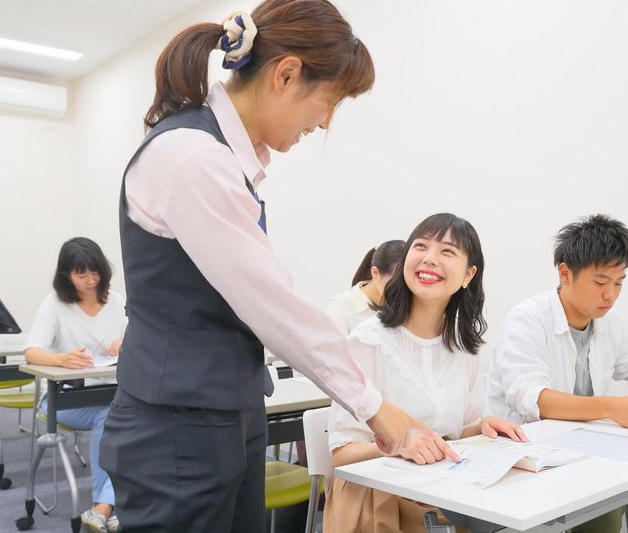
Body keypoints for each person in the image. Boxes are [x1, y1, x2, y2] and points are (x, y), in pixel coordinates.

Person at [98, 2, 455, 532]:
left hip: (222, 414)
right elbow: (274, 307)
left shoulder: (221, 159)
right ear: (286, 74)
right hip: (178, 427)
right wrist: (376, 408)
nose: (324, 121)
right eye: (329, 101)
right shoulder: (194, 157)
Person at [484, 214, 628, 533]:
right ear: (565, 274)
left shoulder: (610, 323)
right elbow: (535, 399)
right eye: (600, 283)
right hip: (529, 456)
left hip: (588, 452)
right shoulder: (527, 320)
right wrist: (614, 408)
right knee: (603, 505)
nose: (610, 294)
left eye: (619, 282)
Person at [325, 213, 527, 533]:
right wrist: (398, 446)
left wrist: (484, 427)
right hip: (379, 501)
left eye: (447, 251)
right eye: (420, 246)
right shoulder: (368, 341)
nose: (430, 258)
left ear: (468, 274)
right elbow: (341, 455)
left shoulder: (464, 346)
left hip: (444, 495)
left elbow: (460, 433)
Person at [24, 237, 126, 533]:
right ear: (66, 275)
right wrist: (62, 359)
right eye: (82, 274)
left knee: (130, 417)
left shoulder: (117, 301)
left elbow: (138, 337)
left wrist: (126, 345)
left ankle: (102, 508)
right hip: (64, 399)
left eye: (96, 272)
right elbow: (32, 352)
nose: (91, 280)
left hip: (111, 393)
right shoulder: (55, 305)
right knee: (111, 416)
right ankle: (105, 505)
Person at [327, 240, 405, 334]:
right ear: (375, 273)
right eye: (397, 282)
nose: (403, 289)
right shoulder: (341, 308)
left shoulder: (406, 307)